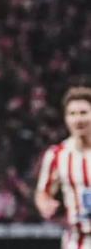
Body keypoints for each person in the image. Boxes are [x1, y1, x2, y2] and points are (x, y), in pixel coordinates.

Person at [36, 86, 91, 248]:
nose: (78, 119)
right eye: (72, 114)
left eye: (83, 113)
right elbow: (43, 193)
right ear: (66, 118)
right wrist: (45, 205)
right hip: (77, 240)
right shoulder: (57, 155)